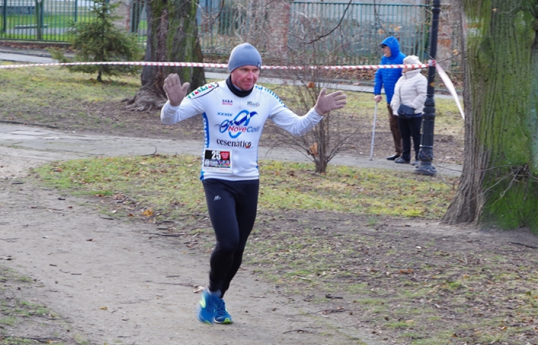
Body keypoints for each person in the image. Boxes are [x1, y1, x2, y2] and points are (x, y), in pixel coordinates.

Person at [160, 43, 347, 325]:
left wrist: (318, 111)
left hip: (249, 180)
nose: (250, 76)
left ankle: (217, 298)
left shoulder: (265, 98)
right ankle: (212, 293)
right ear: (232, 70)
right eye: (244, 70)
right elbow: (169, 120)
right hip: (217, 176)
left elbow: (296, 126)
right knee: (228, 242)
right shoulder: (211, 94)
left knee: (238, 250)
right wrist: (172, 104)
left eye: (255, 70)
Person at [373, 36, 406, 161]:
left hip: (402, 100)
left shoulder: (402, 59)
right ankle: (398, 151)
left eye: (385, 48)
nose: (383, 50)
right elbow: (379, 76)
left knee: (402, 125)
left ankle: (405, 152)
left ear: (391, 48)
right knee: (393, 125)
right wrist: (377, 93)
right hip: (390, 100)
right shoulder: (384, 60)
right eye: (383, 48)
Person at [390, 55, 427, 165]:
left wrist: (412, 106)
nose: (403, 66)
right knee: (404, 135)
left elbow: (423, 94)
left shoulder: (420, 79)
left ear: (412, 66)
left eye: (405, 64)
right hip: (402, 112)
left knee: (416, 135)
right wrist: (394, 105)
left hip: (415, 113)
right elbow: (396, 94)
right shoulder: (402, 79)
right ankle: (405, 156)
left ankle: (418, 157)